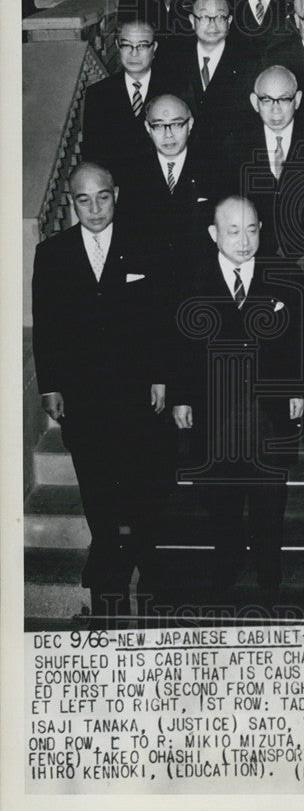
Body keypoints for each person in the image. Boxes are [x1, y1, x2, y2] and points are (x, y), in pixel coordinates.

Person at [31, 162, 171, 623]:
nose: (94, 209)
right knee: (96, 482)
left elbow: (159, 319)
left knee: (141, 477)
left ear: (116, 194)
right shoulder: (52, 253)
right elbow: (47, 326)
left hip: (135, 392)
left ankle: (147, 560)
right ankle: (108, 554)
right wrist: (49, 385)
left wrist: (159, 376)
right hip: (83, 396)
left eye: (103, 197)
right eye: (83, 200)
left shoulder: (145, 244)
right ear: (71, 203)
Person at [171, 196, 304, 591]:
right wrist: (181, 396)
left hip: (268, 406)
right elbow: (178, 344)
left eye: (251, 229)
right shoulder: (191, 278)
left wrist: (298, 388)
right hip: (215, 408)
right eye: (233, 230)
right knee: (219, 492)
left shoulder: (285, 275)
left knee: (269, 492)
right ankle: (227, 557)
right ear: (214, 234)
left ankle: (268, 562)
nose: (244, 240)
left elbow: (299, 338)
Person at [219, 65, 304, 258]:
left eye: (284, 99)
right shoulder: (235, 145)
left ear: (297, 100)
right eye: (266, 100)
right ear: (254, 102)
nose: (275, 109)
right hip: (256, 255)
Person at [115, 94, 215, 269]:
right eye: (159, 126)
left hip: (202, 281)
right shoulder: (131, 176)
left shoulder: (214, 170)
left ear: (190, 124)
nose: (168, 135)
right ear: (148, 127)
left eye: (176, 124)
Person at [166, 0, 252, 152]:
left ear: (229, 21)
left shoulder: (248, 63)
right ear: (192, 21)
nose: (212, 25)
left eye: (219, 17)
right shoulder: (173, 63)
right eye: (205, 17)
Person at [82, 20, 168, 176]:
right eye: (127, 45)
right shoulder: (98, 94)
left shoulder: (175, 89)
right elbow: (93, 155)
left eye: (142, 46)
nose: (134, 53)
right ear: (117, 45)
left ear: (154, 48)